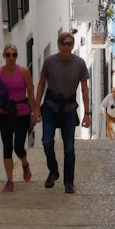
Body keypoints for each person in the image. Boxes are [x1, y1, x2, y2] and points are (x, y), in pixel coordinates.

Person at [34, 31, 90, 193]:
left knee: (69, 148)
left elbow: (85, 89)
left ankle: (69, 182)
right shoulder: (50, 62)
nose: (67, 47)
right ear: (59, 45)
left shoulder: (80, 64)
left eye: (69, 44)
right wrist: (36, 108)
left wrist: (87, 114)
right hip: (50, 107)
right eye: (64, 44)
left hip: (69, 109)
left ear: (73, 46)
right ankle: (53, 171)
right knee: (47, 142)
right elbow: (41, 84)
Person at [0, 44, 37, 192]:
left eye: (13, 55)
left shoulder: (24, 72)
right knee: (7, 147)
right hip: (5, 113)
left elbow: (31, 92)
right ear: (3, 56)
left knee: (19, 146)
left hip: (21, 113)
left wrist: (34, 113)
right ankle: (9, 181)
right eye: (8, 55)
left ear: (16, 56)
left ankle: (24, 163)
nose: (10, 57)